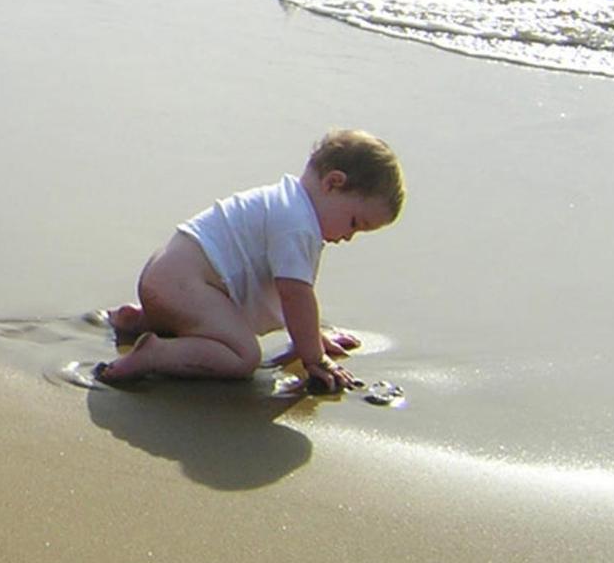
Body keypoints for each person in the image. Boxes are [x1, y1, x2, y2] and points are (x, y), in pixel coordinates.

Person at [96, 129, 404, 393]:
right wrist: (315, 357)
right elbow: (295, 295)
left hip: (170, 275)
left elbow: (285, 297)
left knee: (212, 321)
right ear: (333, 183)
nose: (349, 237)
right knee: (241, 356)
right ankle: (155, 354)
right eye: (354, 222)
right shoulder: (299, 225)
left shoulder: (284, 201)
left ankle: (140, 320)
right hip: (184, 284)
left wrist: (313, 336)